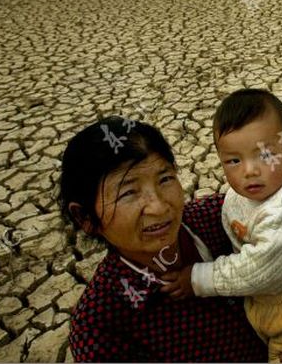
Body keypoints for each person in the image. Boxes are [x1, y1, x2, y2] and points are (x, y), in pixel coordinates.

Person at [60, 116, 268, 362]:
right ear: (85, 217)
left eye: (165, 179)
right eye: (128, 193)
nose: (158, 207)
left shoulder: (223, 217)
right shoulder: (101, 328)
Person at [161, 89, 282, 363]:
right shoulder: (243, 193)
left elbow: (259, 271)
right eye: (234, 160)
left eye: (264, 155)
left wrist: (198, 279)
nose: (249, 170)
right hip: (269, 299)